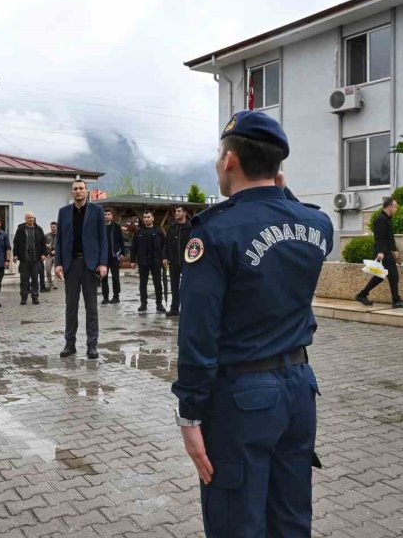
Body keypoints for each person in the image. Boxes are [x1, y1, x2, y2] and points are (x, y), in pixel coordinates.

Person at [172, 111, 333, 537]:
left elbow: (197, 338)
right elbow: (293, 210)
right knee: (291, 515)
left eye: (219, 154)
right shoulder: (317, 224)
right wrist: (281, 192)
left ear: (229, 161)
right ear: (278, 167)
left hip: (242, 400)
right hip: (300, 389)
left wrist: (189, 416)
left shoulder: (215, 233)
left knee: (236, 522)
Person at [54, 179, 108, 359]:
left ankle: (92, 346)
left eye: (81, 188)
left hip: (90, 265)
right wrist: (58, 263)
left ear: (87, 192)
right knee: (71, 308)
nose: (78, 191)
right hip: (71, 266)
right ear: (72, 193)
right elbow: (59, 240)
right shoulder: (64, 213)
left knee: (91, 308)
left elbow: (103, 239)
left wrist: (102, 263)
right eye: (75, 189)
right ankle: (70, 344)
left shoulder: (97, 211)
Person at [355, 197, 403, 308]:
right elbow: (379, 238)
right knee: (393, 275)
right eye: (395, 206)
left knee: (380, 276)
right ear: (389, 206)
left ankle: (362, 295)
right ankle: (396, 301)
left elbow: (389, 237)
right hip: (382, 251)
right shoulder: (381, 220)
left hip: (385, 251)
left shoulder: (387, 219)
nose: (396, 209)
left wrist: (394, 249)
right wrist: (380, 252)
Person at [130, 210, 167, 313]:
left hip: (156, 261)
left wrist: (164, 258)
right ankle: (143, 303)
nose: (146, 219)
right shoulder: (139, 232)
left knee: (157, 284)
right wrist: (133, 260)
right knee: (143, 283)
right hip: (143, 261)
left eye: (148, 217)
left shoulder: (158, 231)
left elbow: (165, 245)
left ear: (153, 218)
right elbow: (134, 247)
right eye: (144, 217)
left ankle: (159, 304)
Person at [164, 205, 192, 317]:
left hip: (187, 262)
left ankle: (187, 308)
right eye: (176, 211)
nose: (176, 213)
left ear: (185, 213)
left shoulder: (191, 227)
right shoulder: (172, 227)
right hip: (174, 261)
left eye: (179, 211)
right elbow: (166, 243)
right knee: (174, 286)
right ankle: (174, 308)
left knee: (187, 286)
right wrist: (165, 257)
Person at [13, 212, 46, 305]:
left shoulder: (38, 229)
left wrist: (44, 254)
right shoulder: (20, 229)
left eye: (32, 217)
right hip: (24, 259)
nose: (31, 219)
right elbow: (16, 242)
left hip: (35, 259)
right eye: (29, 218)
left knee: (35, 279)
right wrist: (15, 254)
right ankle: (24, 297)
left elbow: (43, 242)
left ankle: (35, 297)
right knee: (24, 279)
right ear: (25, 219)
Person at [101, 208, 125, 305]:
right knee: (103, 278)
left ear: (112, 216)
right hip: (103, 257)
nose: (106, 216)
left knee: (115, 278)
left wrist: (122, 253)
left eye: (108, 214)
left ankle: (116, 296)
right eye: (105, 214)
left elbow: (121, 241)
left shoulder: (116, 227)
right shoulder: (100, 227)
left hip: (114, 256)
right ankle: (105, 297)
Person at [44, 221, 59, 291]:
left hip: (58, 255)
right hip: (49, 255)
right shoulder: (47, 235)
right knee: (47, 270)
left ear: (57, 227)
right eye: (51, 227)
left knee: (57, 270)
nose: (52, 228)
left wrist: (56, 250)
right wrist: (46, 246)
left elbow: (63, 245)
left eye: (54, 227)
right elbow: (43, 244)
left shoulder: (60, 235)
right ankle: (50, 284)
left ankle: (55, 284)